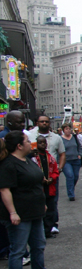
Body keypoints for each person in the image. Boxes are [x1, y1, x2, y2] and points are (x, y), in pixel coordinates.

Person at [1, 131, 60, 269]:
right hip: (20, 215)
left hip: (35, 211)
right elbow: (5, 190)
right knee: (18, 249)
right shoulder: (9, 164)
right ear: (19, 146)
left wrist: (42, 203)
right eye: (27, 141)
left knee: (38, 245)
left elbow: (36, 182)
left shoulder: (27, 160)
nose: (30, 143)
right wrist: (13, 212)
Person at [25, 115, 65, 236]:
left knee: (52, 202)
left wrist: (59, 169)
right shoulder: (29, 135)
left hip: (51, 177)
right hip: (36, 178)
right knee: (38, 202)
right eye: (42, 121)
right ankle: (38, 226)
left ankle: (51, 225)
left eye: (46, 122)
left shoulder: (56, 138)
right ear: (37, 123)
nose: (44, 123)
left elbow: (62, 153)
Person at [0, 111, 26, 260]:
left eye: (23, 121)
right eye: (18, 122)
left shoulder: (22, 136)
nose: (22, 124)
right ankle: (8, 250)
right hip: (8, 183)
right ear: (9, 122)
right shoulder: (3, 137)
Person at [31, 136, 59, 239]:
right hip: (39, 188)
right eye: (40, 142)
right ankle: (40, 231)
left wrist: (52, 178)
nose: (43, 144)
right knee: (40, 210)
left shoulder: (50, 157)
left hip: (49, 188)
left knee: (50, 210)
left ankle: (48, 230)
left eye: (44, 142)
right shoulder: (33, 158)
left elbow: (55, 170)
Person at [60, 123, 82, 202]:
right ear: (63, 130)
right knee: (70, 176)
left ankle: (71, 188)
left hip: (76, 160)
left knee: (75, 176)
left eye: (69, 129)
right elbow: (58, 150)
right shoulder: (61, 139)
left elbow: (79, 147)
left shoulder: (74, 137)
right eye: (66, 129)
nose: (68, 130)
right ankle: (71, 194)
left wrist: (80, 154)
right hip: (66, 161)